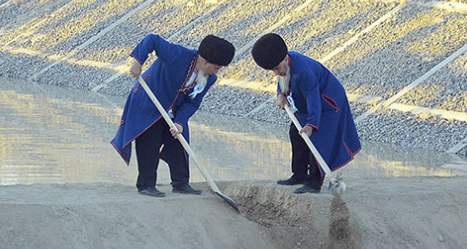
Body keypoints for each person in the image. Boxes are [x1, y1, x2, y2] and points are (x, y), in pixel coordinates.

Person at [110, 34, 236, 197]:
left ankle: (181, 183)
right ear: (204, 62)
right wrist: (138, 61)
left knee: (180, 140)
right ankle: (146, 185)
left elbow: (192, 103)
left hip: (173, 111)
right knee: (150, 141)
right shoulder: (177, 55)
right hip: (148, 102)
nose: (216, 72)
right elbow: (152, 39)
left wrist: (180, 122)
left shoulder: (209, 79)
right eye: (216, 67)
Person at [251, 33, 361, 194]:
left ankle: (314, 182)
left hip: (328, 103)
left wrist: (311, 125)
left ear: (284, 59)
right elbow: (282, 81)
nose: (275, 72)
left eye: (276, 68)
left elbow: (314, 101)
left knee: (316, 140)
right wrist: (280, 94)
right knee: (295, 133)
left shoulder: (304, 72)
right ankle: (299, 174)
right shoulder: (285, 65)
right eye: (272, 70)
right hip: (308, 103)